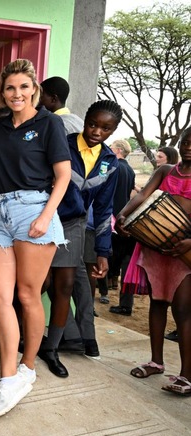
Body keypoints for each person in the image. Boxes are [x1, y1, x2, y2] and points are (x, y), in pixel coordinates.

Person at [0, 59, 70, 418]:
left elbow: (63, 174)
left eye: (23, 87)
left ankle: (28, 367)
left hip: (33, 209)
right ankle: (8, 379)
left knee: (26, 294)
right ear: (2, 94)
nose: (16, 93)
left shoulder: (49, 124)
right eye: (9, 88)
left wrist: (46, 215)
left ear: (34, 89)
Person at [39, 100, 123, 377]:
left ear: (113, 130)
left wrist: (102, 251)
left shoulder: (110, 163)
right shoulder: (61, 143)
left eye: (106, 128)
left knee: (64, 284)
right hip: (43, 218)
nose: (97, 131)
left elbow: (103, 209)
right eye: (93, 124)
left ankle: (51, 348)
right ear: (84, 120)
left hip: (74, 224)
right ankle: (26, 334)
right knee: (41, 282)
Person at [116, 127, 191, 396]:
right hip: (156, 247)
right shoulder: (165, 171)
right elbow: (143, 195)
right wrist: (124, 215)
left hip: (185, 252)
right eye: (186, 142)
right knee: (157, 303)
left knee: (183, 309)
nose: (189, 147)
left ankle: (186, 375)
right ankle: (155, 361)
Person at [108, 139, 138, 315]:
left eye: (112, 147)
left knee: (114, 261)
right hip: (124, 218)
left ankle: (122, 302)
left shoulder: (116, 167)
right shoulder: (129, 169)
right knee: (125, 262)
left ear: (118, 150)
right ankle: (125, 303)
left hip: (114, 220)